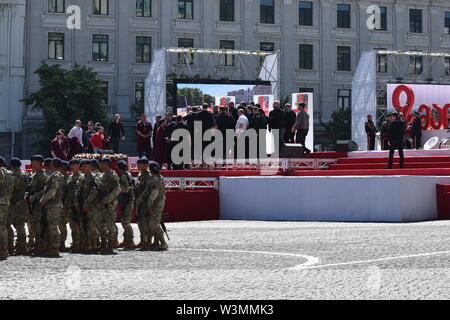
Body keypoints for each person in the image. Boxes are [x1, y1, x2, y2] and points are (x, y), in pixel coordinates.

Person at [39, 158, 65, 257]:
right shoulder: (59, 175)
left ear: (52, 165)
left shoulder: (55, 176)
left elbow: (52, 191)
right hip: (54, 204)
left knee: (53, 226)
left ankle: (55, 247)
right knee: (51, 225)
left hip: (54, 204)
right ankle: (51, 246)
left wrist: (42, 200)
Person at [95, 158, 120, 255]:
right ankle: (103, 243)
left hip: (109, 204)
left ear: (106, 164)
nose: (100, 166)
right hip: (102, 204)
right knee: (101, 225)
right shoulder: (102, 175)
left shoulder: (113, 175)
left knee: (110, 225)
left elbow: (117, 189)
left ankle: (110, 245)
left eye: (101, 164)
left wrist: (108, 199)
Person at [7, 158, 30, 255]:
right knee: (20, 226)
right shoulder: (25, 174)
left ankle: (10, 245)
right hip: (23, 203)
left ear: (11, 165)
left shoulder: (11, 175)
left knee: (7, 224)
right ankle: (22, 246)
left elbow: (10, 190)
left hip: (13, 203)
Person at [25, 155, 47, 256]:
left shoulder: (42, 175)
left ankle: (40, 246)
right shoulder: (33, 175)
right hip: (32, 205)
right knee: (33, 225)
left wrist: (35, 196)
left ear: (39, 163)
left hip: (39, 204)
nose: (32, 164)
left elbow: (45, 190)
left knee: (39, 226)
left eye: (34, 162)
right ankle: (34, 245)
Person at [147, 161, 168, 251]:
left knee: (153, 223)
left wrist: (149, 203)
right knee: (156, 222)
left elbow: (154, 192)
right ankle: (156, 242)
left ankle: (163, 242)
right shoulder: (161, 177)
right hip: (160, 202)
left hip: (156, 203)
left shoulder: (153, 179)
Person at [65, 159, 83, 253]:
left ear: (78, 166)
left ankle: (81, 243)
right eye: (71, 164)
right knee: (73, 226)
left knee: (80, 225)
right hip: (71, 205)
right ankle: (75, 243)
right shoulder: (70, 177)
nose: (72, 166)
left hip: (79, 205)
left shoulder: (81, 177)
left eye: (74, 164)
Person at [117, 160, 135, 250]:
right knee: (124, 220)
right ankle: (126, 240)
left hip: (126, 200)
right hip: (126, 200)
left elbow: (126, 188)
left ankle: (130, 240)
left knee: (125, 221)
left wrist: (116, 190)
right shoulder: (128, 174)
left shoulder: (124, 175)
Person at [135, 157, 152, 249]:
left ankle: (148, 240)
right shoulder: (140, 175)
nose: (138, 166)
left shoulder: (149, 175)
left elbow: (147, 190)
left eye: (140, 164)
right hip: (139, 202)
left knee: (146, 222)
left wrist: (140, 199)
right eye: (138, 164)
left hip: (145, 202)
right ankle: (142, 240)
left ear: (146, 165)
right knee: (140, 221)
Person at [0, 156, 13, 259]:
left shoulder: (1, 172)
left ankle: (3, 250)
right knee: (3, 226)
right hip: (7, 201)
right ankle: (5, 249)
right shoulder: (10, 174)